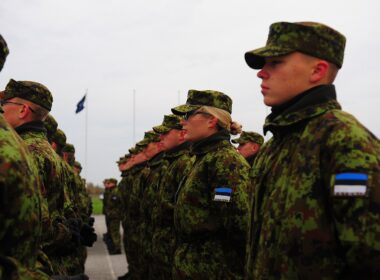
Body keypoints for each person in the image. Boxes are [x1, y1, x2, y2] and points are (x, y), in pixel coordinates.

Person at [244, 21, 380, 279]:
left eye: (275, 63)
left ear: (317, 71)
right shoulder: (275, 145)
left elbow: (370, 259)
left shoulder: (344, 141)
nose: (261, 73)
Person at [171, 89, 250, 279]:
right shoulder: (203, 158)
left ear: (212, 120)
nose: (183, 122)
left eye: (189, 115)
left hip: (214, 270)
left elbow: (239, 226)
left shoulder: (226, 162)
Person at [150, 114, 195, 279]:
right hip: (165, 244)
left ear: (181, 135)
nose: (160, 137)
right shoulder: (171, 162)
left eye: (166, 133)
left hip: (175, 245)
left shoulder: (184, 162)